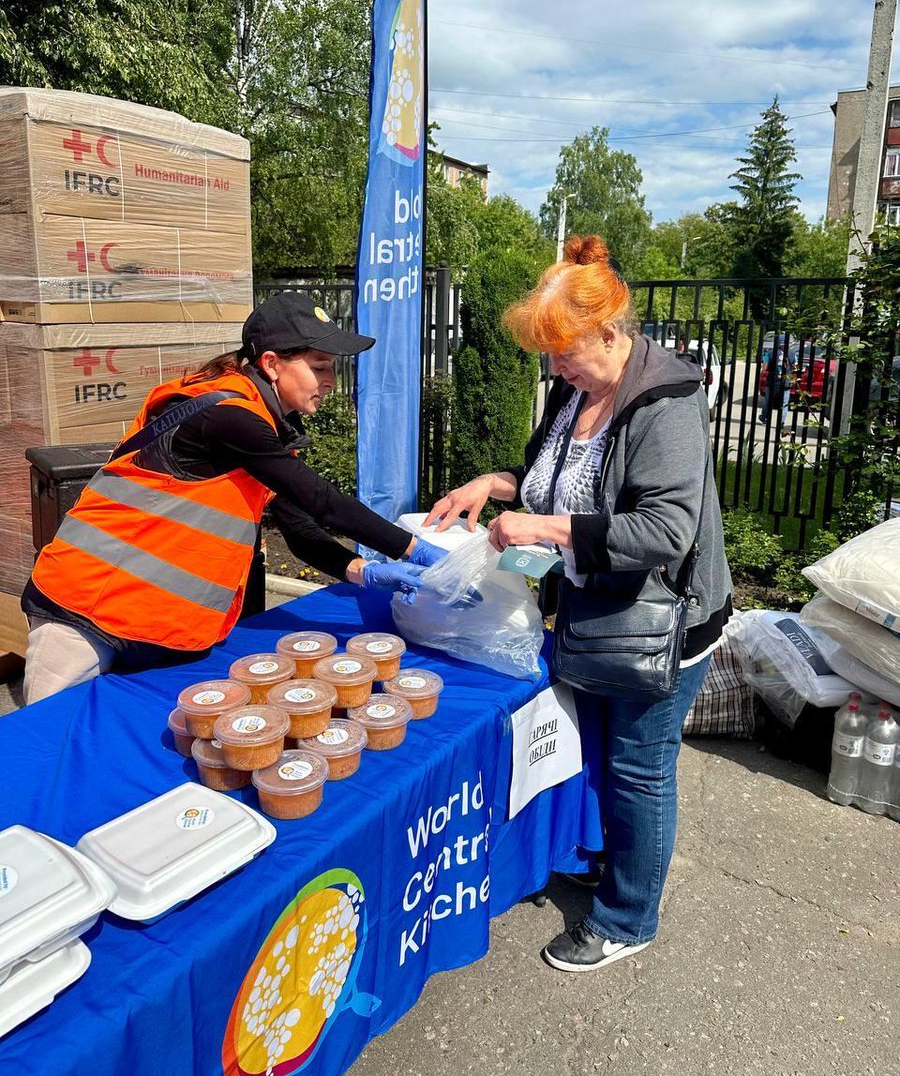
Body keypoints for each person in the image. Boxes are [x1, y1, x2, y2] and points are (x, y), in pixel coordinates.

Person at [425, 235, 732, 974]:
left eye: (564, 352)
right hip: (601, 613)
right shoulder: (578, 391)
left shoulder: (667, 401)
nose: (555, 369)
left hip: (664, 622)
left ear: (608, 331)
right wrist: (491, 487)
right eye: (549, 356)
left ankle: (628, 918)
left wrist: (543, 527)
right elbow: (545, 479)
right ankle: (607, 864)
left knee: (640, 765)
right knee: (605, 749)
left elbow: (663, 531)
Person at [22, 292, 445, 703]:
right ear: (272, 364)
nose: (331, 382)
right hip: (83, 613)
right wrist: (412, 548)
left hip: (157, 629)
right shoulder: (227, 416)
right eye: (320, 367)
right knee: (43, 752)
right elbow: (322, 501)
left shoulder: (265, 430)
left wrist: (362, 571)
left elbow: (299, 528)